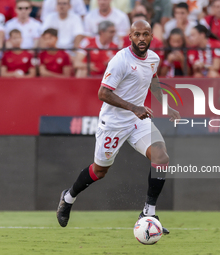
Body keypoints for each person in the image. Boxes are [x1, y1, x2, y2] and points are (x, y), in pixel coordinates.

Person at [56, 20, 180, 234]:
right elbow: (103, 93)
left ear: (152, 37)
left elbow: (153, 80)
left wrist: (167, 106)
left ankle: (148, 213)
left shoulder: (153, 58)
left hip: (137, 121)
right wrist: (134, 107)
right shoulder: (120, 61)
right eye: (137, 34)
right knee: (100, 170)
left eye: (146, 34)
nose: (142, 38)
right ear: (130, 37)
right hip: (114, 123)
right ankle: (68, 197)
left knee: (161, 157)